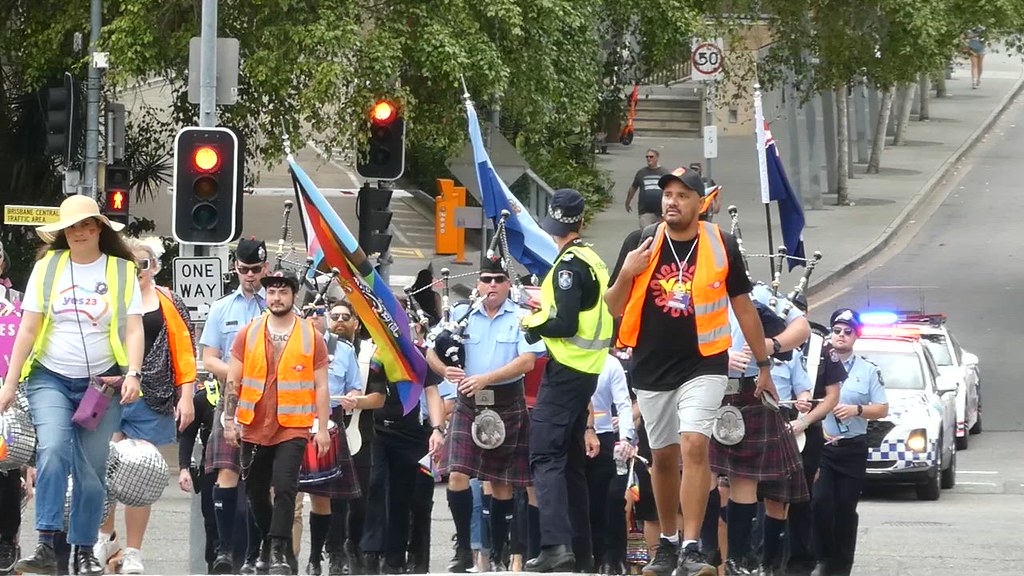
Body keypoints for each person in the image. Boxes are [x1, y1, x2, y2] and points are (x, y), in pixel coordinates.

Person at [605, 166, 772, 576]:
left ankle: (693, 546)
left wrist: (763, 363)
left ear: (701, 203)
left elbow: (744, 307)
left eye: (682, 195)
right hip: (651, 365)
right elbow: (613, 306)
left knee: (695, 444)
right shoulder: (640, 242)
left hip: (705, 361)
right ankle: (667, 542)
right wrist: (628, 269)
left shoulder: (722, 243)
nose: (671, 202)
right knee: (662, 457)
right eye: (667, 195)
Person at [0, 195, 143, 576]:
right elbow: (28, 328)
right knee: (52, 450)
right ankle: (46, 543)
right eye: (72, 226)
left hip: (103, 384)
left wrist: (133, 373)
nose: (79, 232)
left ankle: (82, 549)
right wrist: (9, 384)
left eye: (87, 224)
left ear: (99, 228)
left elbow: (133, 328)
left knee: (92, 470)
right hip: (51, 377)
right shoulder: (48, 267)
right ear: (64, 232)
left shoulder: (121, 271)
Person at [425, 257, 543, 573]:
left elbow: (528, 361)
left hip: (507, 403)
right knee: (458, 475)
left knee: (502, 484)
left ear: (508, 284)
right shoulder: (460, 316)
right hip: (468, 402)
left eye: (498, 280)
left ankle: (501, 547)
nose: (492, 285)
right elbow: (429, 349)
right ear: (478, 282)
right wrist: (444, 370)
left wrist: (486, 378)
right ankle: (464, 547)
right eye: (487, 279)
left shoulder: (522, 318)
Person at [521, 188, 613, 573]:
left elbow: (565, 322)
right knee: (571, 461)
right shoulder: (592, 259)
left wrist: (531, 321)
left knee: (544, 455)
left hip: (566, 371)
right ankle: (581, 551)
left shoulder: (567, 267)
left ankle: (556, 545)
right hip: (587, 371)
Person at [92, 237, 197, 573]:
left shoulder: (168, 300)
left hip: (153, 395)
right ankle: (106, 539)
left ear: (154, 267)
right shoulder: (105, 296)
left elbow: (185, 351)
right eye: (130, 262)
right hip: (107, 393)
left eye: (144, 263)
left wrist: (186, 396)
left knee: (141, 473)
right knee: (103, 468)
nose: (137, 270)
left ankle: (133, 551)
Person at [221, 270, 333, 575]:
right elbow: (234, 378)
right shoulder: (249, 332)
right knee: (255, 491)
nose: (277, 298)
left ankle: (279, 550)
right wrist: (229, 421)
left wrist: (322, 428)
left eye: (283, 292)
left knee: (285, 487)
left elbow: (321, 385)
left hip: (293, 425)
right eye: (271, 292)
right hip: (253, 424)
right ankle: (268, 543)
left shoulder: (312, 336)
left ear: (294, 295)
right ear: (265, 295)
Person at [710, 283, 810, 575]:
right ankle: (703, 551)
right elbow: (672, 340)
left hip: (747, 391)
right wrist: (718, 357)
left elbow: (800, 326)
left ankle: (736, 559)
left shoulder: (759, 294)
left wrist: (771, 345)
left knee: (745, 479)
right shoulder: (693, 289)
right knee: (701, 471)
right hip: (704, 388)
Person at [200, 238, 269, 573]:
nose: (250, 276)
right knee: (226, 473)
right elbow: (209, 359)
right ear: (235, 269)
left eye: (256, 270)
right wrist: (241, 375)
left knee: (262, 479)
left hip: (271, 402)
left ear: (266, 269)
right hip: (233, 397)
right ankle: (225, 549)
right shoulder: (221, 308)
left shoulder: (278, 307)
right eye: (244, 270)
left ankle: (257, 552)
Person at [358, 323, 446, 574]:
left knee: (404, 496)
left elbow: (432, 393)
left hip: (413, 434)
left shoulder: (417, 354)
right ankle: (371, 551)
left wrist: (437, 430)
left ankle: (396, 559)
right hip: (376, 431)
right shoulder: (370, 354)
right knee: (375, 486)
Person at [298, 302, 373, 576]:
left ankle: (326, 557)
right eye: (311, 312)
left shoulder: (344, 351)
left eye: (320, 312)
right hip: (295, 423)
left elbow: (353, 384)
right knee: (285, 496)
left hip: (331, 424)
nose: (315, 317)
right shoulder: (293, 345)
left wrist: (353, 396)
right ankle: (284, 554)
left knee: (329, 495)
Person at [811, 309, 888, 576]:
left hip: (852, 447)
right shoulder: (815, 366)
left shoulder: (868, 370)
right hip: (822, 447)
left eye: (847, 331)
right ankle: (822, 557)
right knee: (820, 502)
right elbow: (803, 401)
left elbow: (882, 409)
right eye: (836, 331)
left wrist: (857, 410)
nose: (841, 336)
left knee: (845, 508)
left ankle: (841, 564)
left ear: (856, 336)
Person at [783, 297, 844, 576]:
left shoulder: (822, 347)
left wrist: (805, 421)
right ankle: (767, 554)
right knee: (764, 494)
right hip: (771, 425)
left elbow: (832, 397)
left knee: (801, 495)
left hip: (808, 428)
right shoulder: (766, 340)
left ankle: (800, 559)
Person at [322, 301, 381, 574]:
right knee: (333, 498)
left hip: (360, 433)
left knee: (359, 501)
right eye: (335, 316)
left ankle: (353, 545)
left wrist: (357, 401)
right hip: (328, 430)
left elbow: (379, 398)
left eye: (347, 317)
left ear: (357, 323)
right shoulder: (319, 348)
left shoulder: (372, 352)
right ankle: (334, 553)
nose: (340, 322)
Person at [586, 352, 635, 574]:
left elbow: (623, 403)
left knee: (614, 499)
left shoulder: (611, 364)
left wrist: (625, 438)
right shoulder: (569, 358)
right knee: (591, 501)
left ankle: (614, 556)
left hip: (607, 436)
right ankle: (595, 555)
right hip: (577, 436)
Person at [624, 150, 669, 226]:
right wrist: (627, 202)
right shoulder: (642, 173)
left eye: (651, 157)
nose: (649, 158)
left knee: (660, 235)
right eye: (647, 157)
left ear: (657, 158)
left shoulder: (664, 173)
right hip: (645, 211)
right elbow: (633, 187)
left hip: (661, 212)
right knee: (647, 233)